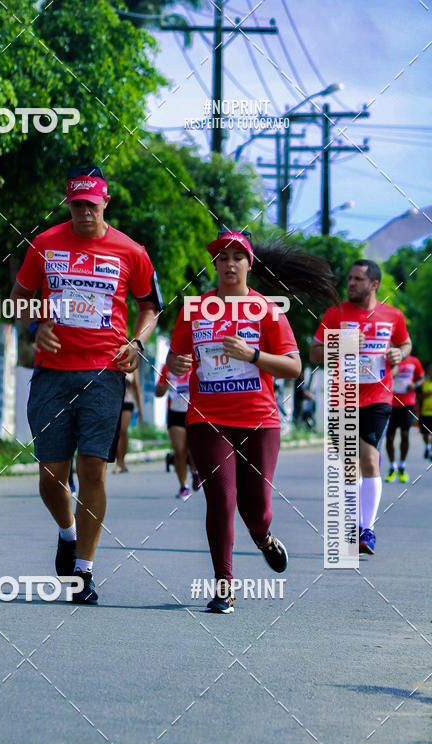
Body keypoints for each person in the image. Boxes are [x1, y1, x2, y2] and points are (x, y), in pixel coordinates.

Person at [10, 165, 162, 604]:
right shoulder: (44, 244)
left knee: (93, 469)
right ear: (68, 205)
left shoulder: (130, 251)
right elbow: (20, 297)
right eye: (76, 206)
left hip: (104, 373)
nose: (84, 214)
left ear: (105, 203)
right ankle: (67, 533)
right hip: (52, 373)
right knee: (50, 475)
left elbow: (150, 305)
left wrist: (138, 340)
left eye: (91, 206)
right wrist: (32, 327)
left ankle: (84, 572)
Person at [167, 230, 337, 613]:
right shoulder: (194, 309)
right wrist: (175, 363)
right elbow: (178, 357)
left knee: (255, 508)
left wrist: (253, 353)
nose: (229, 264)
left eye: (237, 257)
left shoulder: (266, 310)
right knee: (221, 501)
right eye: (222, 258)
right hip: (207, 417)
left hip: (259, 419)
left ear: (249, 264)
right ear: (214, 264)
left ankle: (263, 538)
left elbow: (294, 367)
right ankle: (224, 586)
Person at [310, 259, 411, 555]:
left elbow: (405, 344)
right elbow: (315, 353)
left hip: (378, 397)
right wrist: (343, 343)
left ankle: (368, 530)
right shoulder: (336, 313)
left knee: (368, 458)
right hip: (343, 397)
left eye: (357, 279)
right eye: (350, 278)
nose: (350, 283)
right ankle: (354, 526)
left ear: (374, 284)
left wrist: (398, 354)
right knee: (350, 465)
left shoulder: (392, 315)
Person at [155, 363, 200, 497]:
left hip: (194, 412)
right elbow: (158, 393)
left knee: (194, 449)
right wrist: (166, 384)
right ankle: (183, 486)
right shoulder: (168, 366)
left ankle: (195, 472)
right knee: (179, 451)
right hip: (175, 412)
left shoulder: (197, 363)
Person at [385, 353, 424, 482]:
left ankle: (402, 465)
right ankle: (392, 467)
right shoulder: (390, 359)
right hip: (390, 401)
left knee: (405, 434)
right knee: (390, 437)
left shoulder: (414, 361)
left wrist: (415, 385)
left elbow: (421, 378)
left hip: (407, 402)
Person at [114, 370, 143, 473]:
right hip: (114, 400)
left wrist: (140, 408)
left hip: (128, 400)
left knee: (123, 430)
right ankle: (118, 461)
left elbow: (136, 386)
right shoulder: (112, 361)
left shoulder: (132, 364)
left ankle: (121, 461)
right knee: (116, 431)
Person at [421, 363, 432, 459]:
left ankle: (430, 448)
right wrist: (427, 394)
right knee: (425, 433)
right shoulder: (424, 383)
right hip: (425, 412)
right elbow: (419, 397)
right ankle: (427, 446)